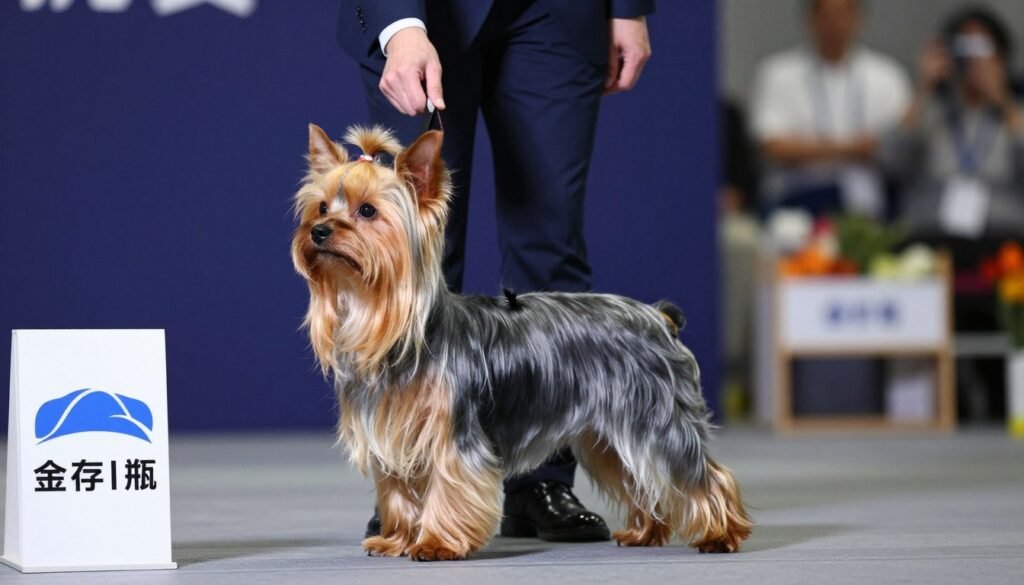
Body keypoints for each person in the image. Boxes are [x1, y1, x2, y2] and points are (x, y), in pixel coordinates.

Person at [335, 0, 655, 542]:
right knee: (411, 249)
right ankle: (415, 484)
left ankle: (542, 479)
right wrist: (399, 26)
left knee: (550, 247)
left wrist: (628, 6)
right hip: (423, 14)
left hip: (556, 14)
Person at [751, 0, 911, 219]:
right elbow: (773, 146)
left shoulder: (886, 75)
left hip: (869, 198)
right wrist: (854, 149)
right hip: (798, 197)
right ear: (811, 20)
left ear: (858, 20)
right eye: (826, 16)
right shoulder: (779, 74)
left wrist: (811, 148)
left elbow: (900, 144)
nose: (834, 25)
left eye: (842, 15)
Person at [882, 6, 1024, 241]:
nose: (974, 60)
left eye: (982, 48)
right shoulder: (928, 112)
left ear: (1000, 56)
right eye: (965, 48)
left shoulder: (1015, 115)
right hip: (932, 233)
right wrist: (924, 88)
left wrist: (1005, 102)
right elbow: (891, 162)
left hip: (1003, 237)